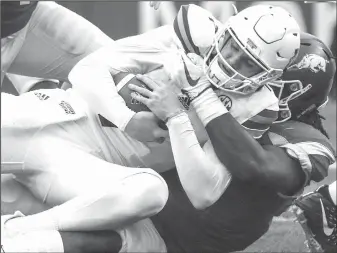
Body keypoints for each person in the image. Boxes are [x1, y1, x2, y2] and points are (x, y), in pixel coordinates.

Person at [1, 4, 301, 253]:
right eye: (231, 47)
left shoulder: (258, 107)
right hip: (51, 116)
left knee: (149, 191)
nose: (231, 62)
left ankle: (14, 233)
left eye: (247, 63)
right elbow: (86, 69)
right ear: (224, 33)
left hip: (80, 169)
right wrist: (127, 120)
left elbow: (203, 192)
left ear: (268, 75)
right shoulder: (193, 36)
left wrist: (178, 114)